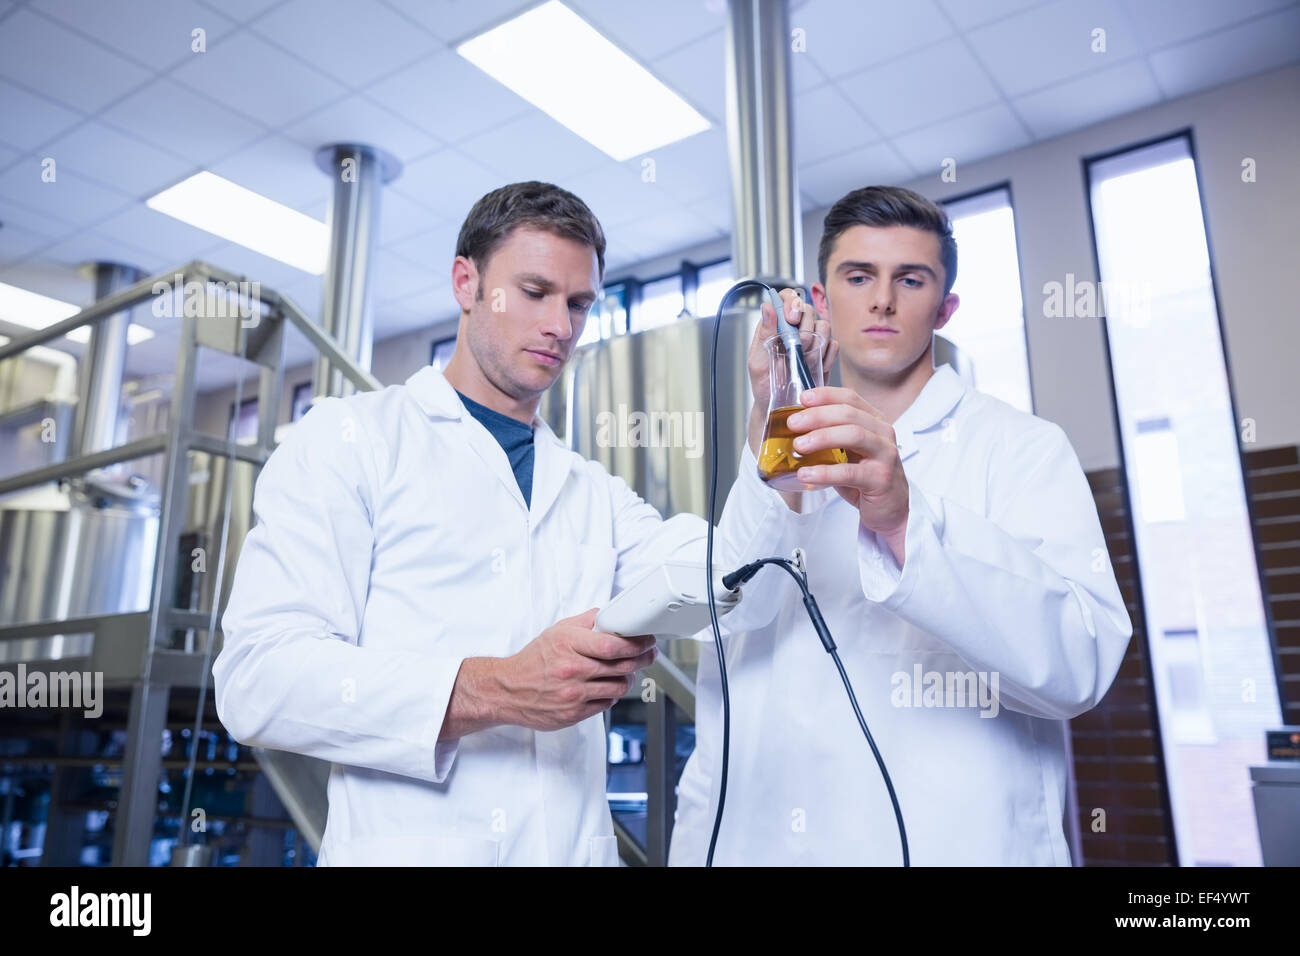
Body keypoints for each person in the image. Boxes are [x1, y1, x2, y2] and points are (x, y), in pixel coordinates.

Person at [214, 181, 827, 866]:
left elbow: (736, 589)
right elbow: (257, 680)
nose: (560, 327)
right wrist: (497, 686)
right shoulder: (353, 440)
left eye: (578, 304)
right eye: (534, 293)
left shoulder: (590, 490)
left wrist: (775, 417)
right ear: (465, 283)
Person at [668, 185, 1134, 866]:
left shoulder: (1021, 448)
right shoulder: (776, 453)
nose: (882, 299)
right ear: (821, 300)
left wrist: (906, 519)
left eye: (909, 279)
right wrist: (770, 436)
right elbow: (724, 632)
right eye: (859, 276)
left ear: (944, 309)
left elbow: (1080, 663)